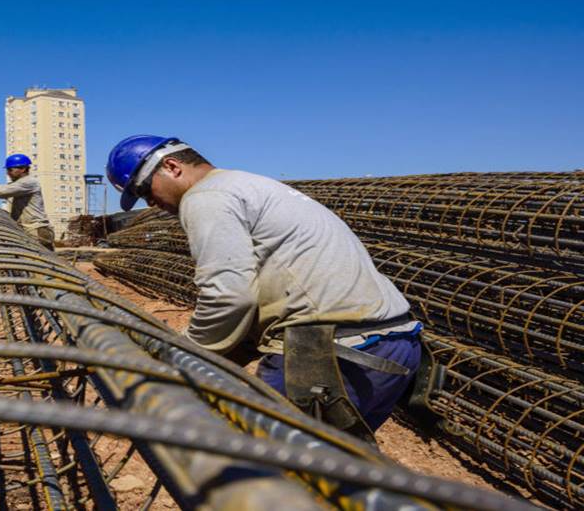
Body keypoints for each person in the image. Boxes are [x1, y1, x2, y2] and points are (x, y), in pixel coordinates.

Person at [105, 134, 421, 440]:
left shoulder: (206, 197)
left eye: (146, 190)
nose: (151, 203)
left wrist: (183, 355)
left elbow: (229, 295)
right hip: (395, 342)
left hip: (329, 352)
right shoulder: (250, 184)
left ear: (172, 167)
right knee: (336, 469)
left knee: (273, 475)